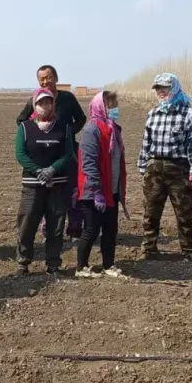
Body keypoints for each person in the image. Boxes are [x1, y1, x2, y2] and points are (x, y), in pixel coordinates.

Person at [137, 73, 192, 260]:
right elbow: (146, 142)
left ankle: (188, 250)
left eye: (165, 88)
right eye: (158, 88)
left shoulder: (187, 113)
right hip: (154, 168)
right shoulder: (153, 113)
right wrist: (142, 165)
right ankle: (149, 249)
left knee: (184, 213)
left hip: (178, 169)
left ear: (174, 88)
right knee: (151, 212)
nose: (161, 92)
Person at [16, 65, 86, 238]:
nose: (45, 81)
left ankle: (75, 227)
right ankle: (48, 226)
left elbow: (81, 118)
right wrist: (35, 134)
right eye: (42, 79)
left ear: (56, 78)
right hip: (44, 155)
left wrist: (68, 133)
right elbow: (21, 121)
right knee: (48, 191)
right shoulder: (34, 100)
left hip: (67, 152)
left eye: (48, 77)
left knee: (73, 188)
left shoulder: (68, 98)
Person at [15, 88, 75, 275]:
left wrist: (52, 169)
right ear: (35, 105)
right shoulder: (25, 128)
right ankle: (23, 262)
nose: (45, 106)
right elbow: (20, 154)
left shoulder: (64, 128)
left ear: (53, 104)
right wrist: (38, 171)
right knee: (27, 224)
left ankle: (53, 264)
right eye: (41, 102)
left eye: (48, 102)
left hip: (57, 185)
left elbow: (68, 154)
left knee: (55, 225)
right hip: (32, 185)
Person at [75, 91, 129, 278]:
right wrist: (96, 191)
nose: (114, 109)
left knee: (110, 229)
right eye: (110, 106)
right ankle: (81, 267)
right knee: (91, 230)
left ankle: (109, 265)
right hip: (94, 191)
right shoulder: (92, 130)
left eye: (115, 105)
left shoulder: (114, 130)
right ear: (100, 107)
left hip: (111, 190)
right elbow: (88, 163)